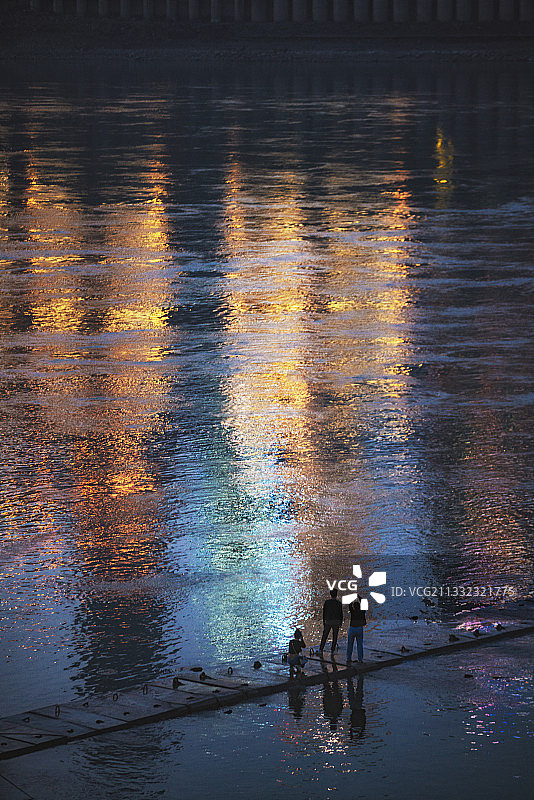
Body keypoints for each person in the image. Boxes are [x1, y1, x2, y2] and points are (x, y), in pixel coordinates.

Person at [319, 588, 343, 654]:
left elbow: (324, 613)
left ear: (330, 594)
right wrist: (340, 622)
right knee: (335, 636)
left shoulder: (327, 602)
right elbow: (341, 614)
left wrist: (324, 621)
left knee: (325, 636)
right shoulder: (339, 603)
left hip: (328, 621)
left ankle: (321, 649)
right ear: (336, 595)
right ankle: (332, 650)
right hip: (336, 622)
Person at [346, 595, 366, 663]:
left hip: (352, 628)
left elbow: (349, 604)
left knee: (350, 644)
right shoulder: (362, 611)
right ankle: (360, 659)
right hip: (359, 628)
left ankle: (348, 658)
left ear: (354, 607)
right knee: (360, 645)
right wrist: (359, 597)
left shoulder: (352, 611)